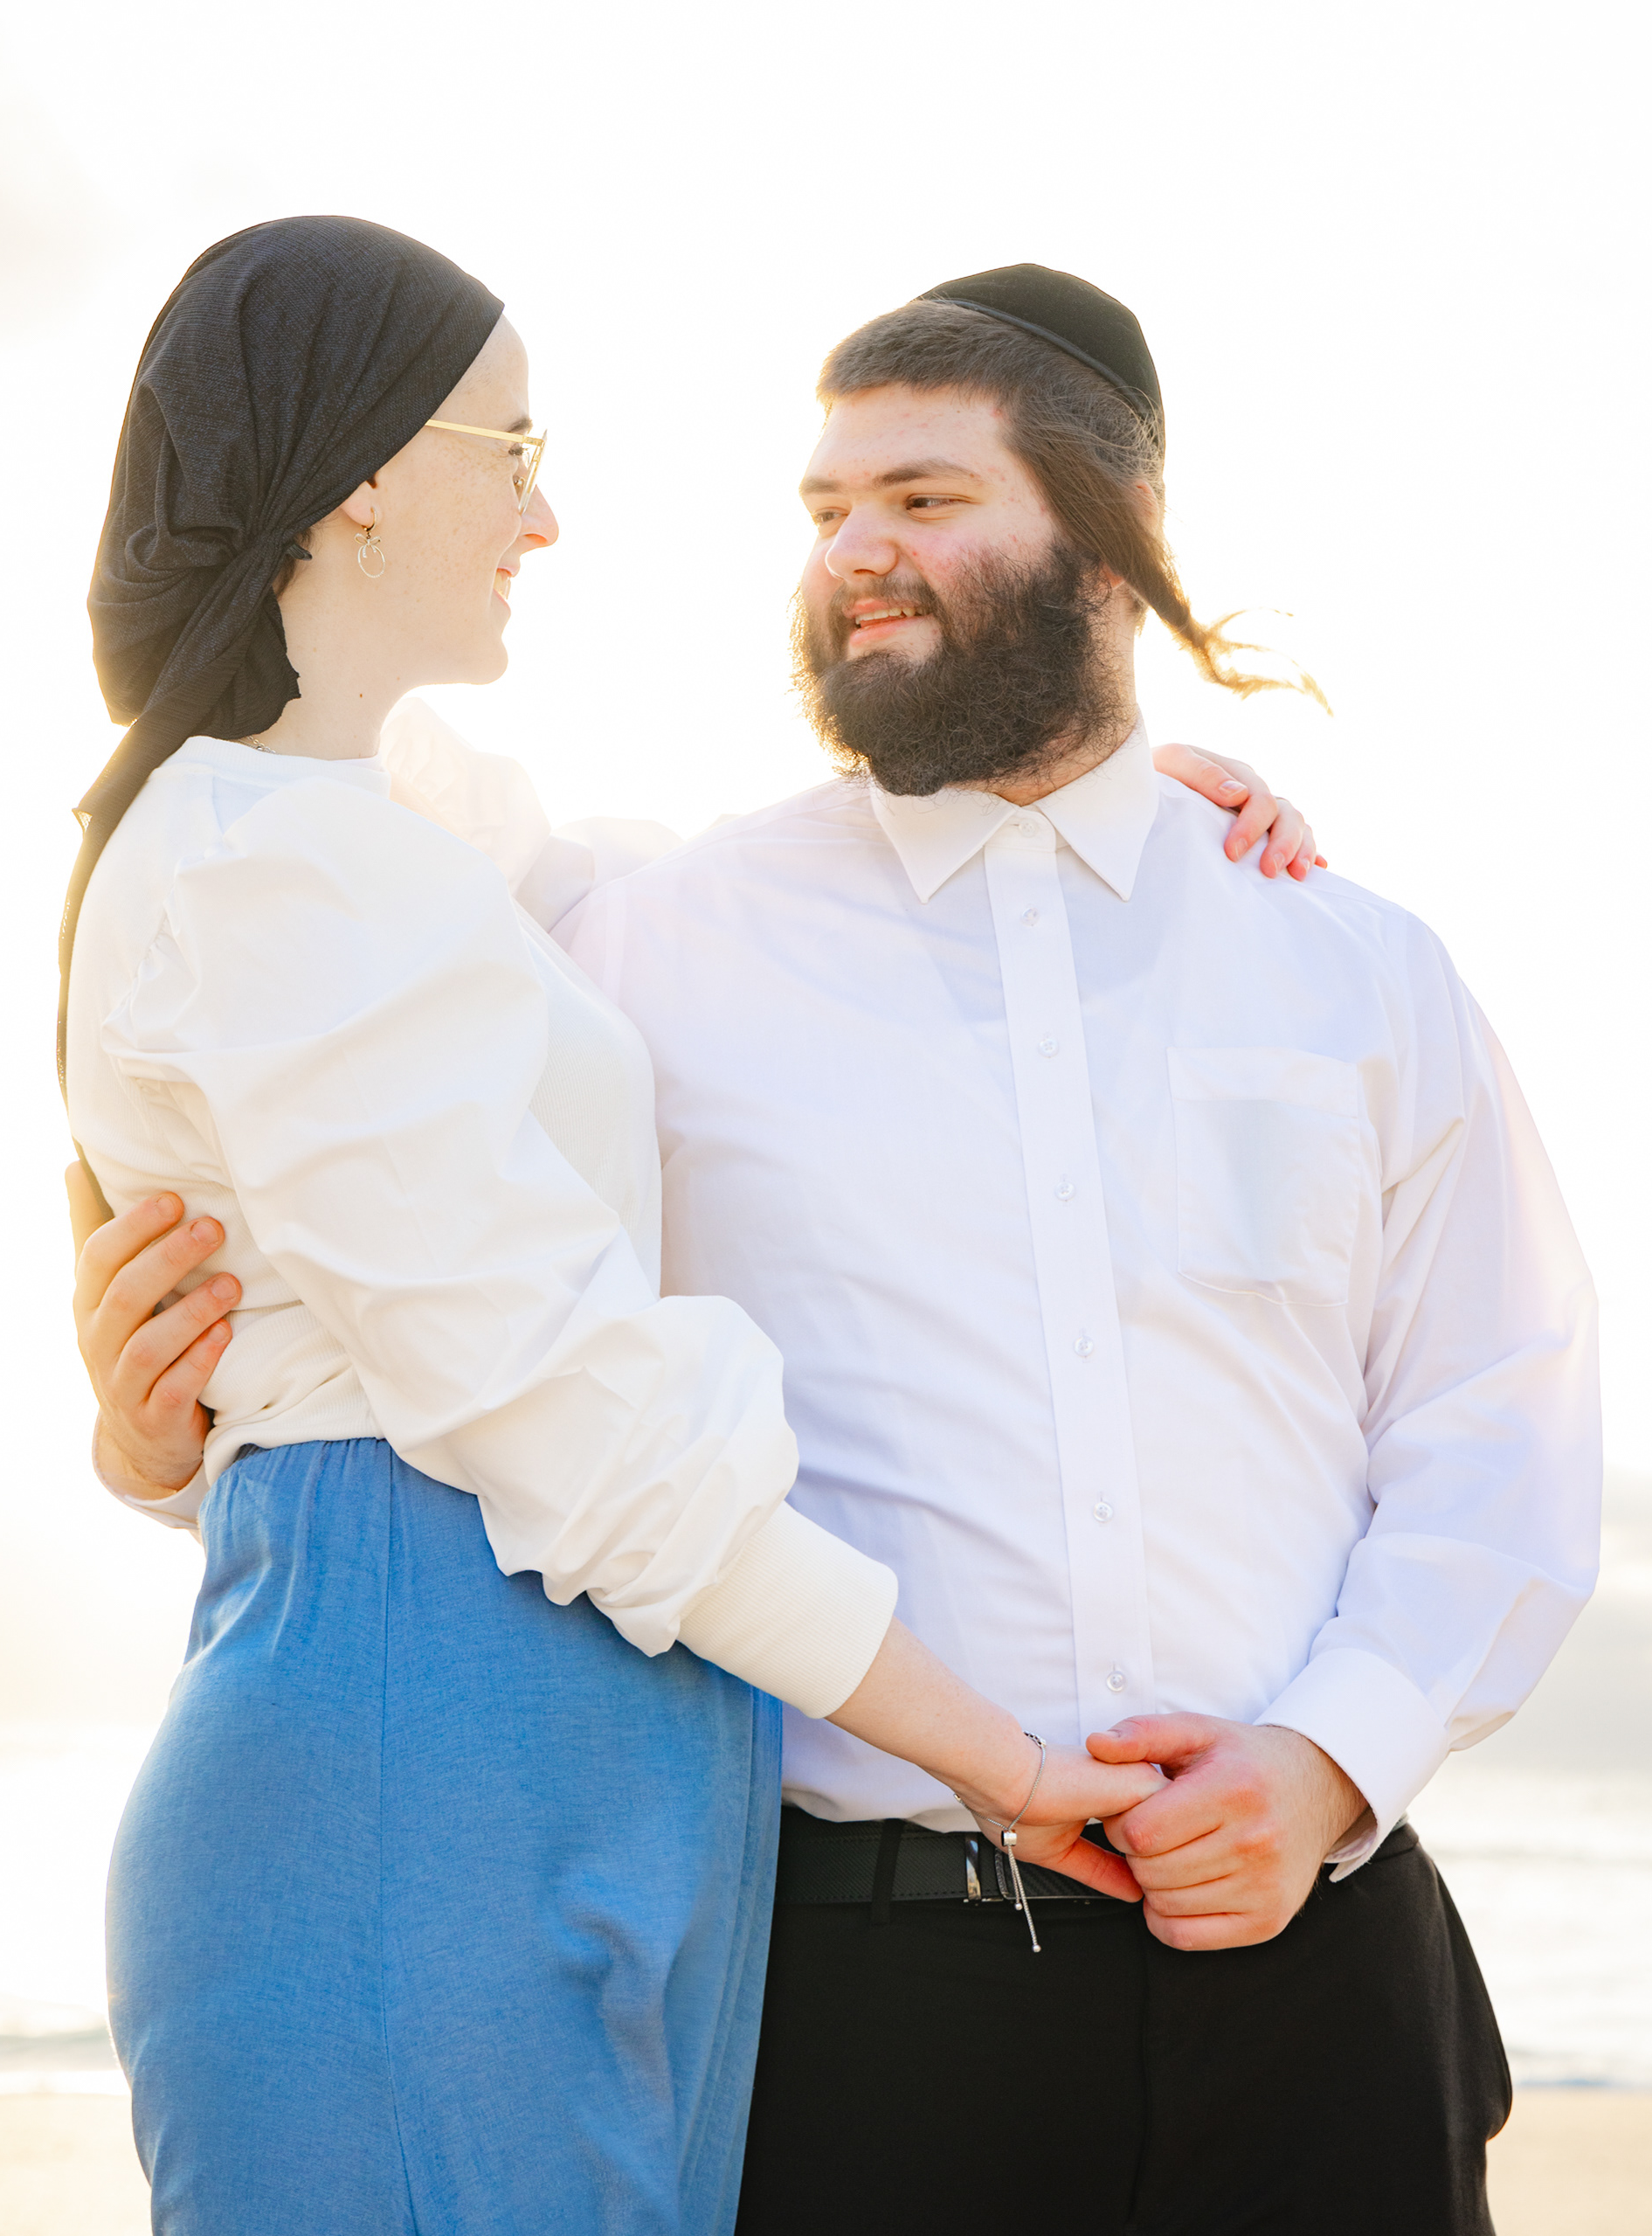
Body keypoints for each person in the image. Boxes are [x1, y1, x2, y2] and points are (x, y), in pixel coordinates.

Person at [61, 220, 1189, 2236]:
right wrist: (1007, 1764)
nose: (547, 513)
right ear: (362, 473)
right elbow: (575, 1422)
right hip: (424, 1758)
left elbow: (712, 893)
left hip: (579, 1761)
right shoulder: (259, 863)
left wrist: (1122, 788)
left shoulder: (399, 822)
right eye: (514, 449)